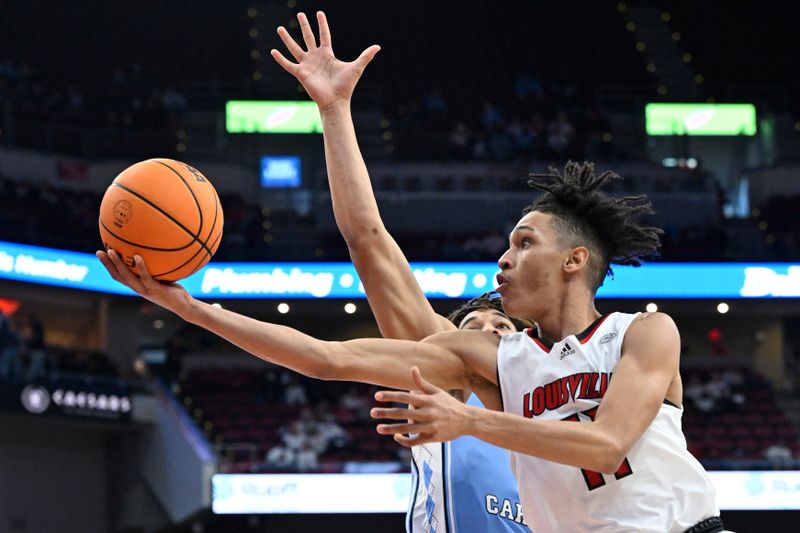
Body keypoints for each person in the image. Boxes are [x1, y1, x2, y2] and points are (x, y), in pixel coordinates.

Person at [96, 35, 723, 533]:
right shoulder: (494, 362)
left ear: (574, 260)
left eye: (524, 243)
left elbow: (607, 443)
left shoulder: (643, 332)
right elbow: (326, 354)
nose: (501, 260)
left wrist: (468, 421)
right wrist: (187, 307)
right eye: (506, 244)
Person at [271, 12, 531, 532]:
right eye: (472, 328)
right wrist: (335, 111)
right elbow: (368, 241)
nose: (487, 331)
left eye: (501, 327)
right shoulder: (455, 380)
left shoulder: (560, 401)